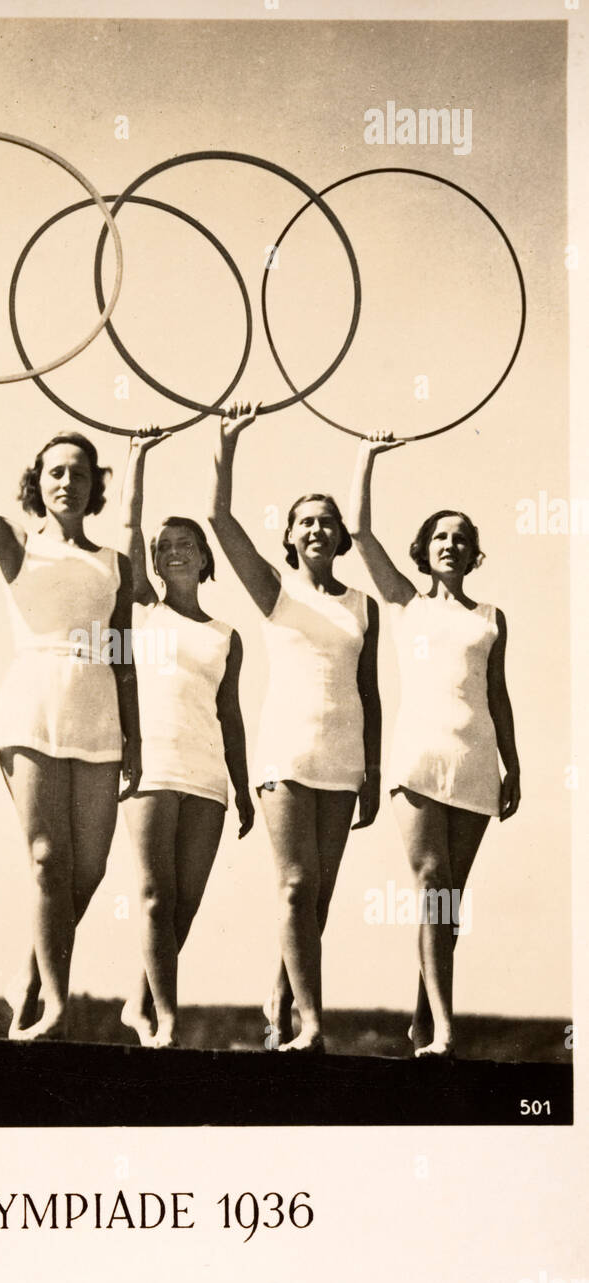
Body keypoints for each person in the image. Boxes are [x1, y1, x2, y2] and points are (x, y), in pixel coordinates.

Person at [0, 369, 140, 1041]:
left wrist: (134, 740)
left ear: (93, 485)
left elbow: (124, 654)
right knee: (49, 859)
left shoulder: (115, 563)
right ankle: (55, 1004)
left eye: (78, 473)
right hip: (31, 708)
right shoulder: (13, 544)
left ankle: (29, 978)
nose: (65, 482)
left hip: (98, 712)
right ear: (37, 482)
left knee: (91, 868)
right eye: (54, 472)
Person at [209, 403, 381, 1054]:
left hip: (341, 756)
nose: (316, 528)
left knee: (319, 900)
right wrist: (226, 446)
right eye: (304, 521)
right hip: (282, 752)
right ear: (289, 535)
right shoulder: (274, 592)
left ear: (340, 538)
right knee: (295, 885)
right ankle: (311, 1024)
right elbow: (220, 523)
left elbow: (371, 693)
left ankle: (281, 1001)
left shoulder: (362, 605)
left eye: (326, 522)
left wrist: (374, 772)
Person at [348, 430, 521, 1058]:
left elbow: (495, 693)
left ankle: (423, 1022)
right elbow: (360, 534)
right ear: (425, 549)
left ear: (473, 554)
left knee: (448, 905)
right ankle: (446, 1029)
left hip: (476, 762)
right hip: (417, 760)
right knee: (433, 884)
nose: (452, 544)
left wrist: (514, 763)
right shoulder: (402, 602)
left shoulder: (492, 617)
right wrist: (366, 457)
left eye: (462, 537)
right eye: (441, 535)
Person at [117, 427, 254, 1048]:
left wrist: (245, 790)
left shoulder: (228, 634)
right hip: (149, 767)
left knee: (184, 907)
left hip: (208, 777)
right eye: (163, 546)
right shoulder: (144, 608)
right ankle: (162, 1019)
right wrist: (136, 458)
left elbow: (232, 716)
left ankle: (139, 1002)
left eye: (186, 545)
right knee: (152, 895)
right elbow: (127, 529)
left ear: (204, 559)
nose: (174, 552)